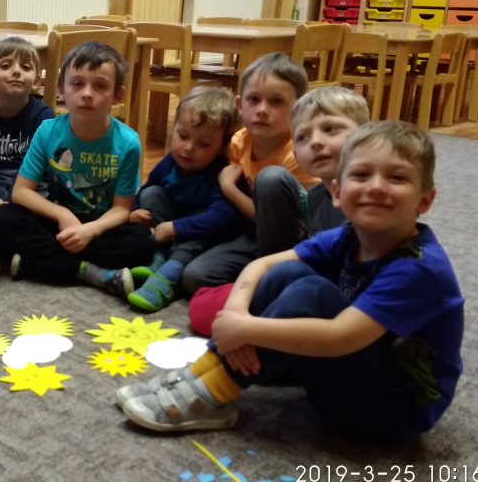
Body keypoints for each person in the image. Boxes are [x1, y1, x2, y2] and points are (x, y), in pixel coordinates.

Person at [117, 122, 464, 444]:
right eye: (361, 175)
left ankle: (215, 390)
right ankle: (204, 371)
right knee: (285, 274)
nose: (375, 187)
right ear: (337, 193)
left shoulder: (418, 269)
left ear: (424, 200)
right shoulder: (348, 235)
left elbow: (341, 335)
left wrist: (246, 330)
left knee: (312, 293)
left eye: (397, 178)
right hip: (353, 371)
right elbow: (262, 265)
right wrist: (235, 314)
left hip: (391, 414)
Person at [187, 86, 369, 336]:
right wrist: (240, 308)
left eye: (330, 129)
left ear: (365, 137)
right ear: (296, 153)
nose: (316, 142)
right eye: (303, 137)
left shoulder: (370, 203)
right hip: (306, 284)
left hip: (344, 314)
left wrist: (252, 329)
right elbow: (294, 260)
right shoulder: (318, 197)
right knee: (204, 305)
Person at [0, 41, 154, 296]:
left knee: (142, 243)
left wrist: (90, 231)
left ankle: (37, 262)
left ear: (118, 95)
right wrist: (61, 215)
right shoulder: (48, 131)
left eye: (100, 86)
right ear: (60, 89)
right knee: (3, 217)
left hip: (100, 227)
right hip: (57, 223)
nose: (87, 93)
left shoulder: (128, 142)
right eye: (77, 84)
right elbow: (21, 192)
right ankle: (88, 271)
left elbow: (121, 209)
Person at [181, 52, 315, 295]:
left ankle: (276, 282)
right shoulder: (238, 142)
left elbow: (298, 223)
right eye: (254, 99)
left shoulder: (298, 152)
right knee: (195, 276)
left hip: (294, 246)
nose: (262, 110)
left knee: (271, 178)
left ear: (298, 109)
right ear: (240, 106)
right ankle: (258, 287)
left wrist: (229, 189)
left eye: (276, 102)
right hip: (254, 236)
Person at [126, 87, 241, 312]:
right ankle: (158, 258)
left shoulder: (220, 172)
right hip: (169, 225)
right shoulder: (170, 161)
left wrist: (175, 228)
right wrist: (135, 210)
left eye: (204, 144)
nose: (188, 148)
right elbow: (146, 188)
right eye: (183, 136)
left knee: (202, 226)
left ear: (221, 147)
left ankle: (169, 275)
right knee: (152, 193)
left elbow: (223, 217)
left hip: (200, 234)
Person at [0, 36, 55, 211]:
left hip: (30, 183)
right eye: (5, 66)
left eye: (25, 67)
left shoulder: (43, 117)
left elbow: (35, 168)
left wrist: (11, 202)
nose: (16, 71)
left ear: (36, 81)